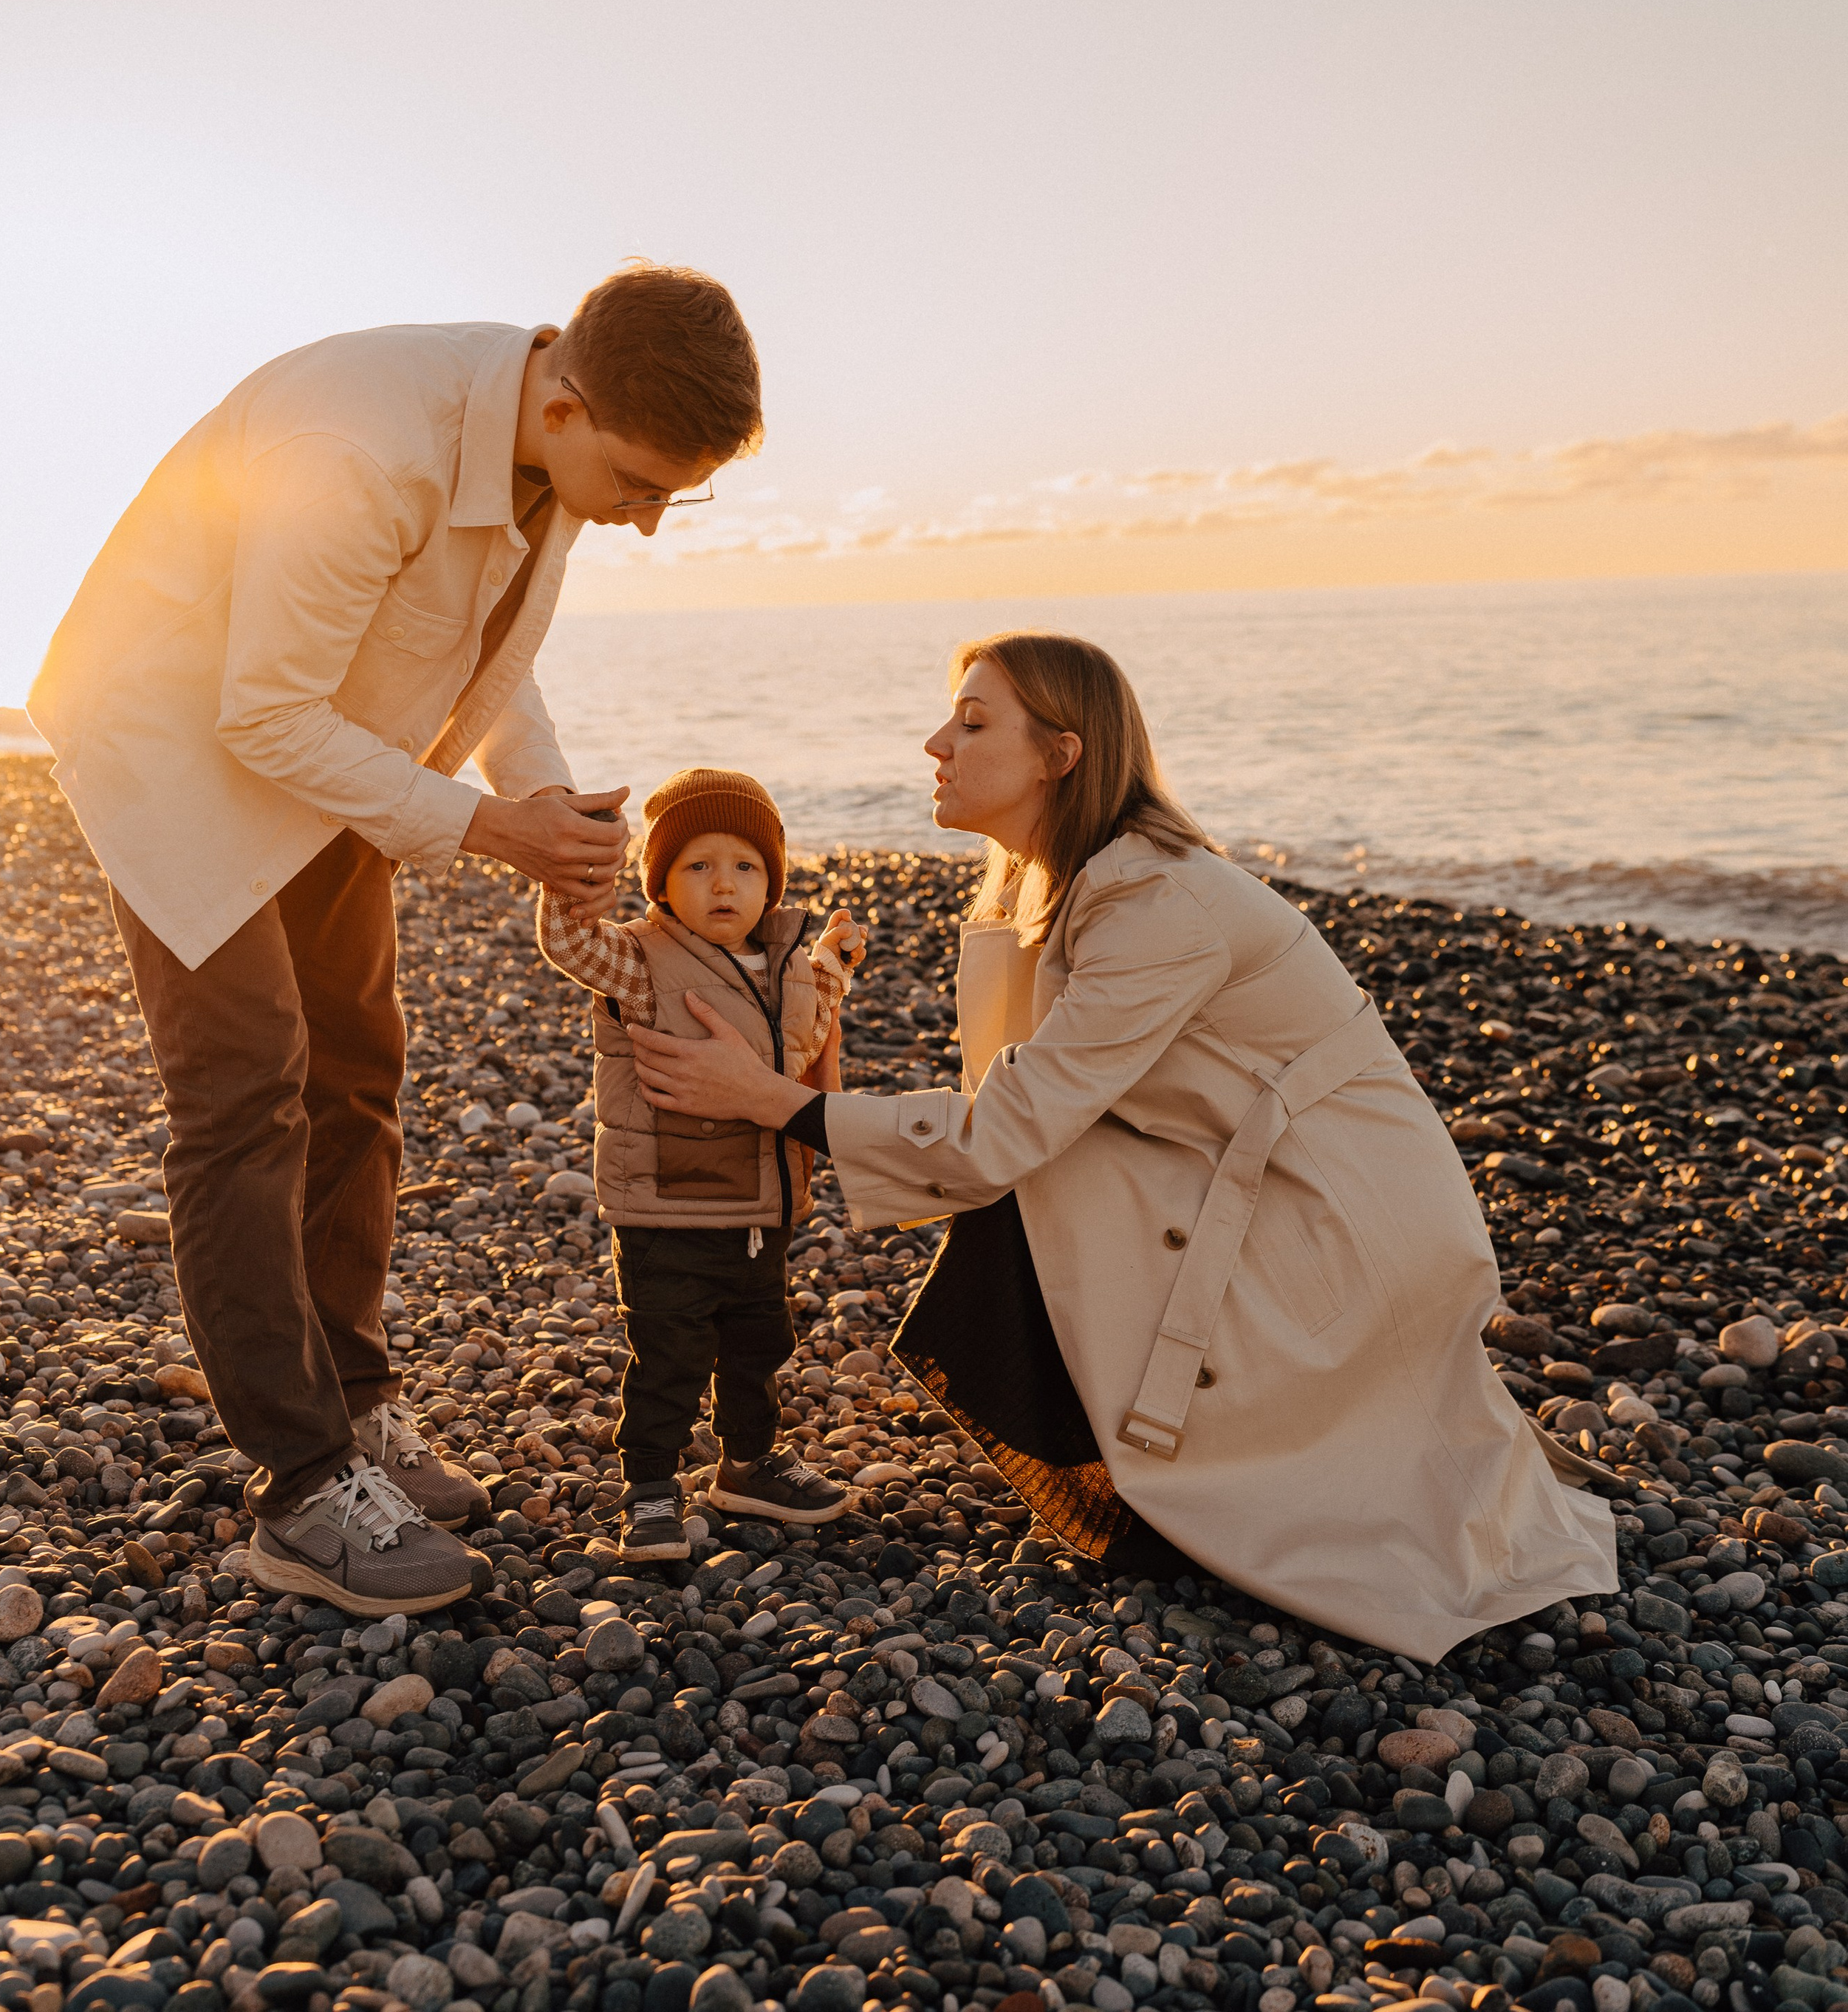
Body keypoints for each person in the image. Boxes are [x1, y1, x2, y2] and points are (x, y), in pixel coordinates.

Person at [625, 630, 1619, 1662]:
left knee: (1034, 1175)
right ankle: (1121, 1475)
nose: (936, 744)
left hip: (1343, 1229)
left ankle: (1168, 1485)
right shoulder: (1066, 880)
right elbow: (1014, 1100)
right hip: (1267, 1175)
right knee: (1038, 1179)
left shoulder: (1157, 903)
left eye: (971, 725)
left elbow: (1001, 1131)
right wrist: (811, 1078)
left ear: (1063, 756)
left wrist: (776, 1104)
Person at [28, 264, 762, 1617]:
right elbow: (257, 717)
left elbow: (491, 644)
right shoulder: (360, 447)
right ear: (564, 399)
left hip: (326, 740)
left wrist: (539, 795)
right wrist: (494, 834)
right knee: (247, 1088)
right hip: (180, 737)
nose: (651, 522)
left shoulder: (546, 441)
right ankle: (301, 1490)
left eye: (679, 494)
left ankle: (356, 1400)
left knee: (359, 1064)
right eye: (647, 484)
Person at [537, 764, 865, 1559]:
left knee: (759, 1348)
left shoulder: (787, 961)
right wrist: (575, 875)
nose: (725, 885)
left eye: (746, 867)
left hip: (762, 1208)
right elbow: (570, 942)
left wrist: (839, 958)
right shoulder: (643, 963)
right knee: (669, 1355)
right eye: (698, 866)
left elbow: (810, 1026)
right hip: (668, 1209)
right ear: (661, 884)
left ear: (773, 882)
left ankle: (747, 1466)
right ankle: (650, 1488)